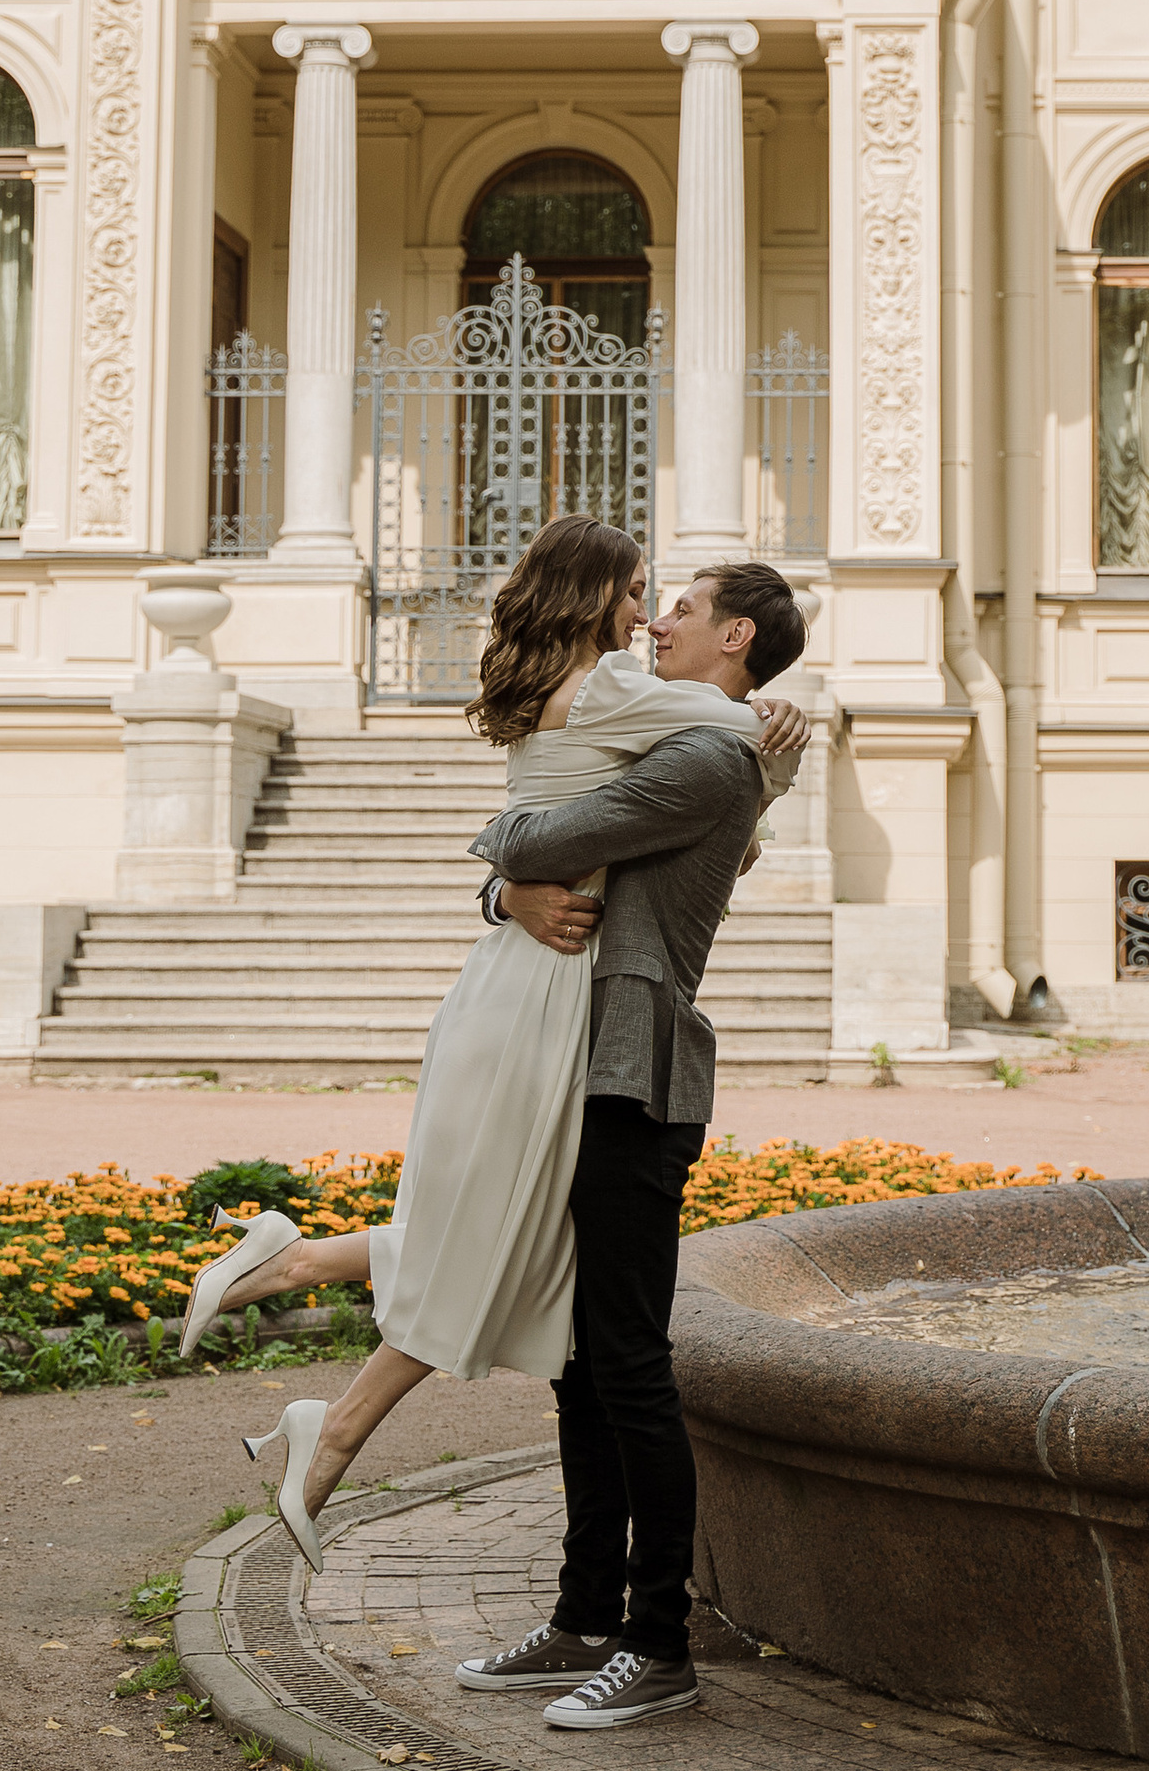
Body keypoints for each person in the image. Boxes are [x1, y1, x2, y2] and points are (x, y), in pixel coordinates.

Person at [177, 523, 805, 1569]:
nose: (652, 618)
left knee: (507, 1226)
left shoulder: (583, 696)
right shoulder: (622, 695)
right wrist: (777, 733)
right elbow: (579, 814)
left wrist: (512, 886)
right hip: (546, 994)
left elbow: (660, 827)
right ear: (595, 598)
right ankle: (326, 1412)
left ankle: (303, 1296)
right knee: (502, 1226)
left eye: (672, 603)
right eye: (641, 595)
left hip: (529, 986)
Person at [456, 554, 809, 1733]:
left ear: (737, 639)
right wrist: (508, 891)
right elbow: (547, 867)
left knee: (629, 1365)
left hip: (636, 1076)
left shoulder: (705, 759)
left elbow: (539, 837)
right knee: (581, 1363)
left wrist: (500, 855)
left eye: (685, 610)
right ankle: (581, 1618)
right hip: (591, 1062)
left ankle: (657, 1644)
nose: (657, 623)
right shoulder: (690, 746)